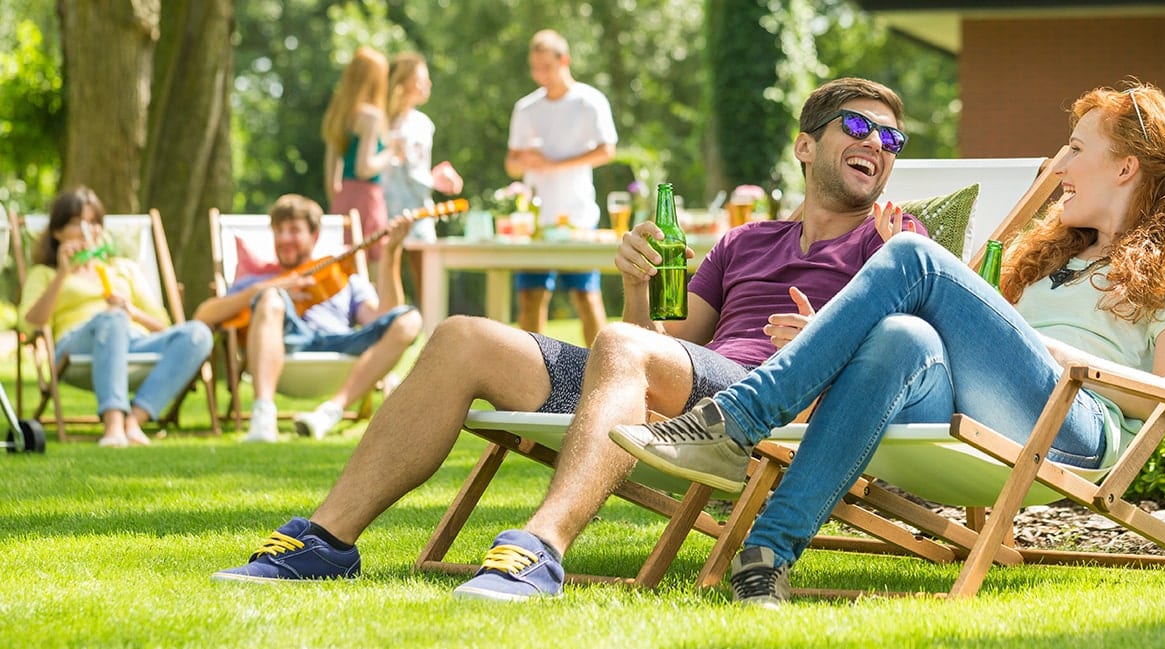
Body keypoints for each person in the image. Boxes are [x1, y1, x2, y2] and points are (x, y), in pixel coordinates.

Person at [211, 78, 924, 600]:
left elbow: (908, 356)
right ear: (805, 145)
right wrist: (638, 284)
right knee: (461, 335)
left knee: (619, 345)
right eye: (859, 128)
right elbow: (657, 345)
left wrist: (829, 340)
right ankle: (324, 540)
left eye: (891, 140)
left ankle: (540, 549)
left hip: (767, 412)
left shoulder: (894, 244)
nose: (877, 146)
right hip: (685, 392)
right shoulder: (743, 242)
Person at [611, 83, 1165, 608]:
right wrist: (847, 330)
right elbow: (962, 344)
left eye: (1075, 150)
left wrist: (1047, 353)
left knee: (915, 255)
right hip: (975, 406)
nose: (1058, 169)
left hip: (1072, 426)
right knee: (900, 334)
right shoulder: (1050, 256)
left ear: (1126, 166)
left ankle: (739, 419)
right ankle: (769, 556)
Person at [193, 194, 421, 442]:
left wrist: (391, 253)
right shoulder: (256, 283)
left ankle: (329, 412)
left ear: (314, 236)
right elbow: (203, 316)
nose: (284, 238)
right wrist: (272, 288)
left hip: (339, 343)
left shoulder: (342, 278)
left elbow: (384, 317)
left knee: (410, 319)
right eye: (278, 231)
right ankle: (263, 418)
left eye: (293, 230)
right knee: (270, 298)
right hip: (288, 343)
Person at [18, 187, 214, 447]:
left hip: (133, 342)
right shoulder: (46, 273)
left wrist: (131, 311)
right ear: (57, 232)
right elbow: (28, 326)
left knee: (199, 334)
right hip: (75, 348)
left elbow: (164, 326)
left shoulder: (123, 269)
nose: (87, 230)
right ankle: (113, 424)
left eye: (93, 222)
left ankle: (133, 422)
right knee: (111, 319)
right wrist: (63, 274)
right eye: (76, 223)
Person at [505, 29, 617, 344]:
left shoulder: (589, 101)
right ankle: (531, 380)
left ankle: (602, 369)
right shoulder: (526, 107)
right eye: (535, 67)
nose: (540, 75)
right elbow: (511, 164)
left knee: (585, 296)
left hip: (577, 217)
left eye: (546, 67)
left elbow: (607, 150)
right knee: (530, 297)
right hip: (535, 221)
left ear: (564, 60)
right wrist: (526, 159)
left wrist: (554, 164)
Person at [322, 46, 399, 266]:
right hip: (366, 198)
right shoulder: (371, 116)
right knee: (372, 271)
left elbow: (330, 177)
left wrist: (340, 202)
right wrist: (391, 151)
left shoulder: (339, 115)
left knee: (344, 268)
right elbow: (364, 168)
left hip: (342, 198)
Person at [382, 51, 464, 226]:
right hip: (387, 217)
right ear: (402, 82)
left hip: (420, 217)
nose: (428, 83)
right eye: (421, 79)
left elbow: (417, 173)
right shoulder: (379, 122)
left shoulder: (423, 124)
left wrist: (436, 178)